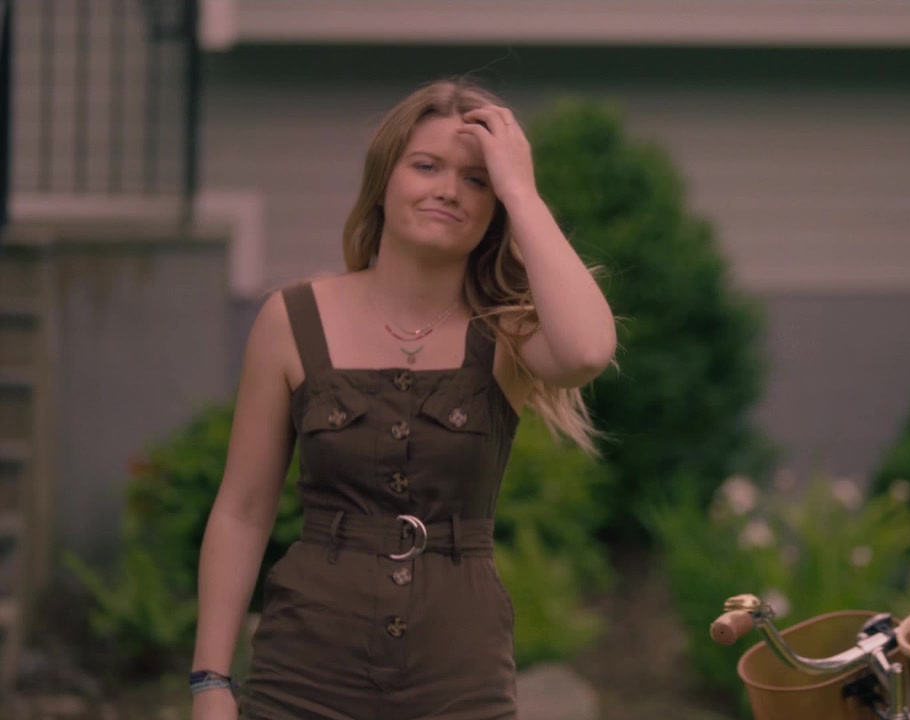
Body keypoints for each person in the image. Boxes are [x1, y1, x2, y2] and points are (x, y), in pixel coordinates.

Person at [189, 78, 617, 720]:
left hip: (460, 677)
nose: (449, 190)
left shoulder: (507, 332)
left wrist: (522, 190)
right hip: (303, 675)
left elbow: (587, 352)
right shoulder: (292, 319)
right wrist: (210, 681)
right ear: (384, 178)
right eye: (426, 166)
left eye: (476, 180)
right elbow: (243, 510)